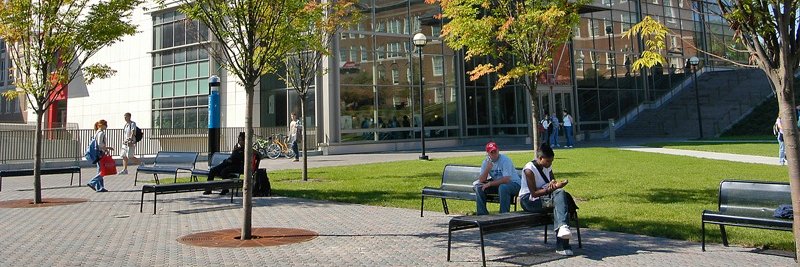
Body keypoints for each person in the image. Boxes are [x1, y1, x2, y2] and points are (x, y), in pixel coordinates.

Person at [519, 143, 574, 255]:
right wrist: (551, 189)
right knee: (560, 203)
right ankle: (563, 245)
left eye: (552, 161)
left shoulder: (547, 167)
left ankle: (563, 230)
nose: (550, 164)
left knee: (560, 197)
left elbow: (552, 182)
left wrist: (554, 184)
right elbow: (533, 194)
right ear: (540, 158)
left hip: (544, 198)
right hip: (529, 201)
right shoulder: (529, 170)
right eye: (548, 161)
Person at [473, 142, 521, 215]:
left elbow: (506, 179)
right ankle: (482, 214)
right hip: (499, 185)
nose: (494, 153)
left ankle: (504, 214)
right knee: (478, 187)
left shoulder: (505, 160)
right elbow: (481, 180)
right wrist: (487, 169)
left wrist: (490, 184)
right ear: (488, 153)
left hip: (514, 184)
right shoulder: (486, 162)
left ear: (498, 150)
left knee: (503, 187)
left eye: (495, 151)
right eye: (491, 152)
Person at [87, 119, 113, 192]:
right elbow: (100, 144)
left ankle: (99, 187)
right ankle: (92, 182)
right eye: (105, 125)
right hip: (100, 153)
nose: (106, 127)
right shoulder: (101, 133)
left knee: (100, 170)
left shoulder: (97, 133)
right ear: (102, 125)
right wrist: (107, 148)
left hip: (98, 153)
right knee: (103, 171)